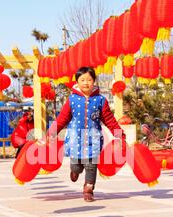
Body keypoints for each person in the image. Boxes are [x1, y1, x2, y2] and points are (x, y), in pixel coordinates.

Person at [47, 67, 126, 202]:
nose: (85, 83)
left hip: (93, 140)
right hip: (75, 140)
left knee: (91, 165)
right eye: (82, 80)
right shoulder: (72, 99)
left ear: (94, 81)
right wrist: (52, 133)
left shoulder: (100, 100)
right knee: (77, 165)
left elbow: (109, 120)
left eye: (89, 79)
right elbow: (62, 119)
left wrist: (119, 134)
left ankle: (88, 189)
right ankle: (75, 171)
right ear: (77, 81)